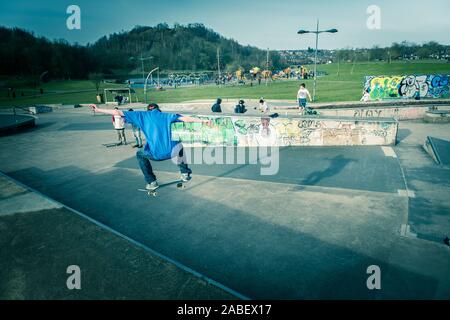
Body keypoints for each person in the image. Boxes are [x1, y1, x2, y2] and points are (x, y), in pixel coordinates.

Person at [90, 103, 211, 191]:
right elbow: (187, 119)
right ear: (159, 110)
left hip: (155, 154)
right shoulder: (168, 116)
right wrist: (203, 122)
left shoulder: (141, 115)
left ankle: (151, 181)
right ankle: (184, 172)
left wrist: (98, 109)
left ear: (148, 109)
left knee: (139, 154)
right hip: (172, 152)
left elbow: (116, 112)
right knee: (179, 146)